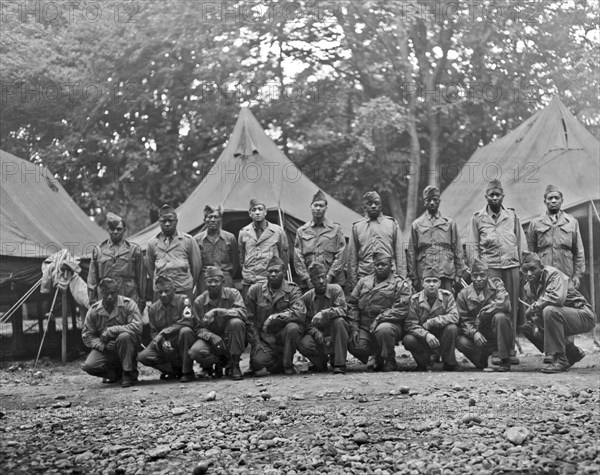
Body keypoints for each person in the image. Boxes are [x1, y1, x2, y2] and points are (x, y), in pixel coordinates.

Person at [467, 179, 527, 364]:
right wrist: (478, 269)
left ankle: (510, 350)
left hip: (511, 266)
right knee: (493, 307)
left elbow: (521, 242)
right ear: (486, 197)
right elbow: (472, 246)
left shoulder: (512, 216)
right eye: (491, 195)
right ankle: (496, 349)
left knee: (512, 307)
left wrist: (523, 264)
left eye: (497, 195)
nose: (494, 198)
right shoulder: (478, 218)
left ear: (502, 196)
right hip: (490, 268)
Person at [520, 253, 595, 373]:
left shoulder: (552, 274)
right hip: (563, 316)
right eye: (525, 270)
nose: (529, 274)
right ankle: (571, 353)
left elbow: (557, 299)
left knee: (549, 311)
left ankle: (561, 359)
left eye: (533, 269)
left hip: (584, 315)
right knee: (528, 328)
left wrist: (535, 306)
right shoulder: (529, 286)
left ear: (541, 267)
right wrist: (534, 322)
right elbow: (537, 314)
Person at [347, 250, 412, 372]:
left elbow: (401, 309)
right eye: (377, 265)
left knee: (383, 330)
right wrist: (354, 327)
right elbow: (352, 304)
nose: (380, 267)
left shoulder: (399, 283)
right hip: (365, 325)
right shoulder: (364, 281)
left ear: (391, 265)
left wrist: (379, 319)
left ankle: (389, 358)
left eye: (384, 265)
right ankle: (377, 355)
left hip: (389, 324)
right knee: (355, 344)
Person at [245, 256, 306, 375]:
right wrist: (257, 345)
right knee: (258, 362)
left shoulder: (293, 289)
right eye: (270, 271)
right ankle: (277, 362)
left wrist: (275, 317)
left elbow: (299, 312)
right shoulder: (255, 290)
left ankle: (288, 365)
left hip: (284, 336)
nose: (273, 274)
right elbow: (249, 320)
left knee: (293, 328)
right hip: (265, 339)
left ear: (283, 273)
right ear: (266, 273)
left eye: (276, 271)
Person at [82, 278, 143, 387]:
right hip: (107, 349)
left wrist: (113, 330)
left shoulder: (128, 304)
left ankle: (128, 373)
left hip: (128, 346)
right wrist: (103, 346)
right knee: (89, 366)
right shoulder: (94, 310)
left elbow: (137, 327)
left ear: (118, 291)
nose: (110, 296)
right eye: (106, 293)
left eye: (113, 293)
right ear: (101, 293)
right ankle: (117, 374)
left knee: (124, 337)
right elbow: (87, 336)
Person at [189, 266, 247, 381]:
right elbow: (198, 328)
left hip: (231, 338)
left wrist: (219, 311)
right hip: (212, 341)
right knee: (195, 351)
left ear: (223, 282)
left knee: (236, 322)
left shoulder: (233, 294)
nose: (213, 284)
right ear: (205, 282)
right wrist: (211, 336)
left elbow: (243, 313)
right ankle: (218, 362)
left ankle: (234, 364)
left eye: (216, 281)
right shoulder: (199, 301)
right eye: (209, 281)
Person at [455, 258, 513, 372]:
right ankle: (480, 359)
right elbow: (462, 321)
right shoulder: (463, 294)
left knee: (501, 317)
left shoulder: (497, 285)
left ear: (488, 274)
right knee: (460, 342)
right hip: (477, 336)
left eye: (482, 275)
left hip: (495, 333)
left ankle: (505, 360)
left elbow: (505, 304)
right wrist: (474, 333)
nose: (478, 279)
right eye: (475, 276)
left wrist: (482, 314)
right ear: (471, 276)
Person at [137, 276, 198, 382]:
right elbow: (153, 332)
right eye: (160, 292)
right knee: (143, 356)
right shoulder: (153, 309)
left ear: (174, 290)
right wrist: (162, 341)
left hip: (181, 339)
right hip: (165, 343)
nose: (163, 295)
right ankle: (173, 370)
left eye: (166, 291)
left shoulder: (184, 300)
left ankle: (187, 372)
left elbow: (188, 321)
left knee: (186, 331)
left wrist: (164, 332)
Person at [407, 186, 465, 292]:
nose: (432, 203)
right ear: (424, 202)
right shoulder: (416, 225)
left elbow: (458, 249)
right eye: (429, 200)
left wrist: (459, 273)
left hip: (445, 272)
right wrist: (413, 276)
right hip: (425, 274)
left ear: (439, 201)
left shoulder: (449, 223)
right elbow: (411, 252)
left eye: (435, 200)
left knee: (446, 303)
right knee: (424, 305)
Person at [403, 267, 461, 371]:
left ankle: (449, 363)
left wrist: (432, 322)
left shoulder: (447, 297)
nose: (431, 284)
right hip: (423, 338)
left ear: (439, 283)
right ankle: (424, 362)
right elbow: (410, 324)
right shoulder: (414, 300)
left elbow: (454, 316)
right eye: (428, 281)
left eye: (434, 281)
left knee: (452, 328)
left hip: (442, 336)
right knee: (408, 339)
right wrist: (426, 335)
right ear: (422, 283)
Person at [527, 184, 585, 289]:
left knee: (566, 303)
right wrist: (532, 276)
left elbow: (578, 252)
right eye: (550, 198)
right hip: (544, 276)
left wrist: (577, 275)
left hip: (566, 275)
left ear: (562, 201)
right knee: (545, 303)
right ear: (545, 202)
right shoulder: (535, 224)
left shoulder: (572, 222)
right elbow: (531, 254)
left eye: (556, 198)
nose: (553, 201)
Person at [297, 262, 349, 374]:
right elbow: (305, 322)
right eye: (317, 279)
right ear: (311, 281)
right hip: (319, 335)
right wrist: (315, 332)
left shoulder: (336, 290)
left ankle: (339, 364)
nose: (321, 281)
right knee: (303, 344)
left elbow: (343, 310)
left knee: (339, 322)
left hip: (335, 332)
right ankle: (321, 363)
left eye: (323, 277)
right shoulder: (306, 298)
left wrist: (324, 313)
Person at [347, 191, 406, 290]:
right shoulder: (357, 227)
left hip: (389, 278)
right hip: (365, 277)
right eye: (370, 204)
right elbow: (352, 258)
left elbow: (400, 254)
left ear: (381, 205)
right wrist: (353, 283)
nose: (373, 206)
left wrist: (401, 279)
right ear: (365, 207)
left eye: (376, 203)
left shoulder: (391, 224)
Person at [88, 212, 146, 311]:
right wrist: (93, 302)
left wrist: (141, 301)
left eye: (119, 229)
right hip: (106, 302)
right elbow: (92, 280)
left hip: (129, 300)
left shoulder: (134, 250)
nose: (115, 232)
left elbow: (141, 278)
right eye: (112, 229)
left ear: (124, 230)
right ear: (108, 230)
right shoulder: (98, 251)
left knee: (131, 326)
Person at [146, 204, 202, 301]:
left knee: (185, 315)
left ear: (176, 222)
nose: (167, 224)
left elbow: (196, 267)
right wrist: (160, 283)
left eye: (170, 221)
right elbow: (150, 268)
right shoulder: (152, 243)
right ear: (159, 222)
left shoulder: (188, 240)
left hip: (182, 290)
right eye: (164, 221)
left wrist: (186, 285)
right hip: (161, 292)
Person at [294, 190, 347, 290]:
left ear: (326, 208)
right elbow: (298, 259)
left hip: (333, 281)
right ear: (311, 207)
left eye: (321, 206)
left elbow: (341, 254)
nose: (318, 208)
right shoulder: (301, 231)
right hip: (310, 283)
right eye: (315, 205)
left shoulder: (335, 229)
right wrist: (307, 279)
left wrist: (330, 276)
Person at [238, 198, 289, 297]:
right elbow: (241, 257)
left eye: (260, 209)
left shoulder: (277, 231)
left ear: (265, 212)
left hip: (270, 280)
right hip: (249, 281)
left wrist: (281, 277)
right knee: (249, 310)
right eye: (254, 210)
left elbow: (284, 256)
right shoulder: (244, 232)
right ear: (249, 213)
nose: (257, 212)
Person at [195, 205, 239, 293]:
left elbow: (235, 262)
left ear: (220, 220)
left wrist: (226, 274)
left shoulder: (230, 238)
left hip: (224, 278)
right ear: (204, 220)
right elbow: (195, 265)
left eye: (216, 217)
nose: (213, 220)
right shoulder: (197, 240)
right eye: (209, 217)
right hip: (205, 280)